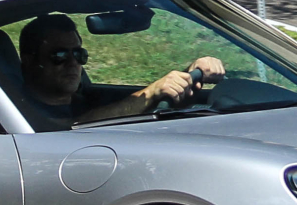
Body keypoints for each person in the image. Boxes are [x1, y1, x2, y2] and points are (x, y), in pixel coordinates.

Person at [15, 13, 224, 127]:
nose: (73, 63)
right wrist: (151, 92)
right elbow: (69, 129)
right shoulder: (21, 111)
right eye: (59, 56)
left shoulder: (84, 101)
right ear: (29, 61)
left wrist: (188, 77)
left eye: (79, 54)